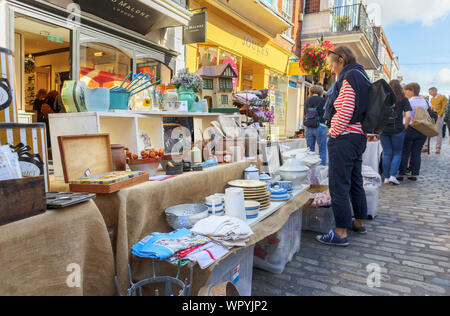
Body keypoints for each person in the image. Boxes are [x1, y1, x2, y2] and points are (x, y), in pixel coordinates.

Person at [316, 46, 370, 247]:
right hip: (357, 136)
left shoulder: (349, 76)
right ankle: (359, 222)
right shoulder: (362, 75)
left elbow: (346, 108)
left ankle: (340, 233)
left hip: (345, 137)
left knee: (339, 185)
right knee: (355, 181)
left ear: (341, 59)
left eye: (331, 64)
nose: (331, 69)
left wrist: (333, 131)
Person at [380, 80, 412, 185]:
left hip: (384, 129)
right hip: (397, 129)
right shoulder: (403, 99)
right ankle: (393, 176)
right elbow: (408, 116)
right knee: (397, 153)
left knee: (387, 153)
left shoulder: (383, 97)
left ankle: (386, 177)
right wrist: (405, 127)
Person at [398, 83, 429, 181]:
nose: (405, 92)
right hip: (422, 129)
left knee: (405, 152)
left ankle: (401, 174)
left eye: (406, 90)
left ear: (412, 90)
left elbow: (404, 115)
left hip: (410, 128)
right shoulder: (426, 101)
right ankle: (414, 175)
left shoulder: (409, 101)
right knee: (416, 152)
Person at [304, 85, 327, 166]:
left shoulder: (307, 101)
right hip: (320, 126)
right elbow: (326, 114)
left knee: (310, 150)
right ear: (320, 92)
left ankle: (311, 170)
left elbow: (305, 112)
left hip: (309, 126)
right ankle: (322, 169)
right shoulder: (324, 100)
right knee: (322, 150)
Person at [428, 87, 448, 154]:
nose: (429, 93)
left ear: (434, 91)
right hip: (432, 116)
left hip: (439, 116)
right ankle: (425, 146)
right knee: (426, 130)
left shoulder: (443, 97)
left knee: (438, 132)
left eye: (430, 92)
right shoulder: (432, 99)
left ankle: (438, 148)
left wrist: (440, 114)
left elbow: (444, 106)